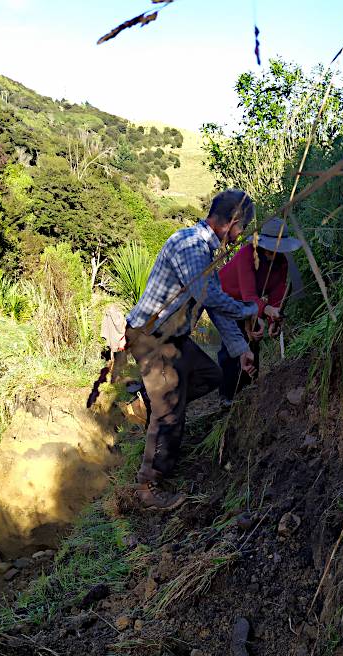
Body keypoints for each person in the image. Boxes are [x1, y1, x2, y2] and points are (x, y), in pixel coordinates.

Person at [125, 189, 259, 509]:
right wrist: (249, 310)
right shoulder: (191, 246)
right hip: (150, 336)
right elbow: (210, 297)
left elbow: (213, 308)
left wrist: (241, 349)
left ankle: (148, 402)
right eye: (242, 229)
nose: (241, 238)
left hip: (175, 339)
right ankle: (149, 485)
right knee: (170, 410)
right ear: (232, 223)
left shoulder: (209, 252)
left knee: (209, 375)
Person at [217, 216, 302, 405]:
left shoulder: (282, 263)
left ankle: (248, 392)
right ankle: (227, 397)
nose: (275, 252)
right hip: (225, 298)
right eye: (272, 248)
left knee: (254, 340)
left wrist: (273, 321)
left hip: (249, 301)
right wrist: (267, 310)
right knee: (235, 343)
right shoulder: (247, 255)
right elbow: (248, 296)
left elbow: (277, 294)